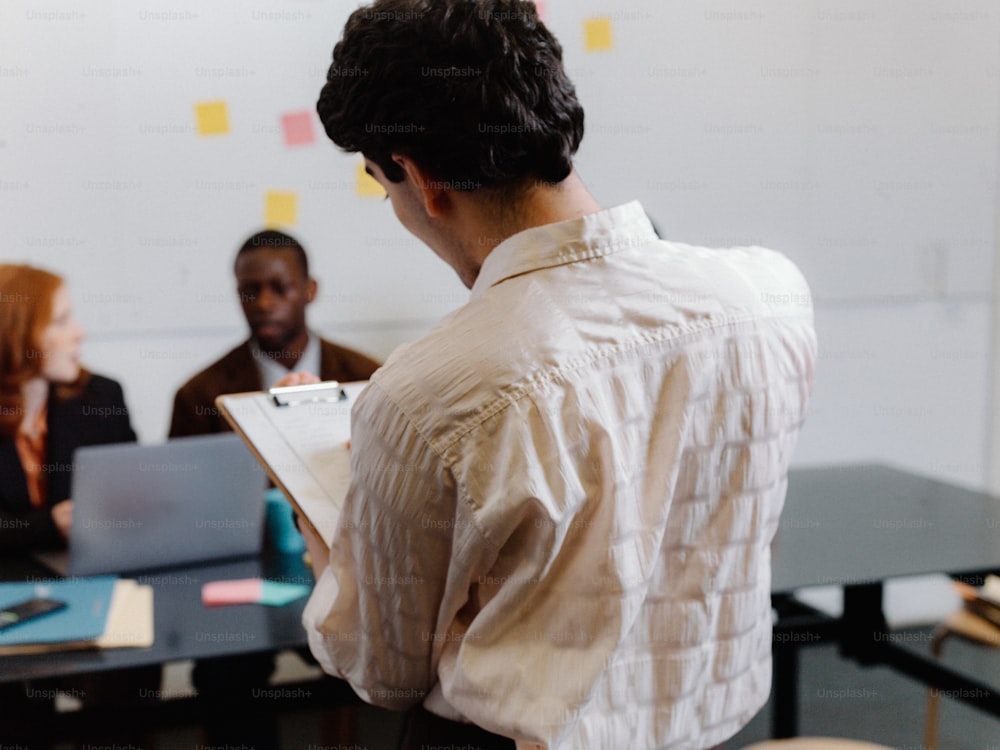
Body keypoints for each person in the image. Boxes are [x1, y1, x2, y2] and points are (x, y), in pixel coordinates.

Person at [300, 2, 817, 749]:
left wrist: (328, 541)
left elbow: (383, 671)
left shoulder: (427, 395)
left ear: (418, 177)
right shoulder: (773, 297)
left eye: (386, 187)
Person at [168, 229, 380, 437]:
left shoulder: (368, 380)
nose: (264, 304)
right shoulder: (199, 396)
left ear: (310, 290)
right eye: (250, 291)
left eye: (281, 288)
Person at [0, 264, 136, 554]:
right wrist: (47, 526)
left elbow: (134, 493)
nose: (80, 333)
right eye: (61, 321)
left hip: (92, 575)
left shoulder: (101, 398)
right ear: (15, 332)